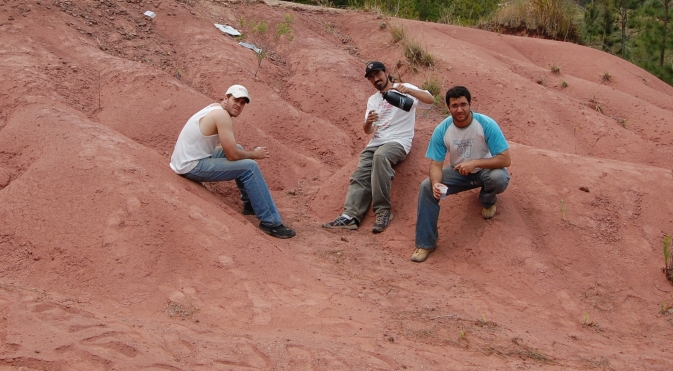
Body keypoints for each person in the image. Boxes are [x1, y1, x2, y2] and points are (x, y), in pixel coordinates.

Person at [322, 61, 434, 234]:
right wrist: (368, 122)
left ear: (385, 72)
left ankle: (383, 211)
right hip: (376, 141)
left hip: (398, 141)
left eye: (377, 74)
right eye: (371, 78)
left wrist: (409, 90)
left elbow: (430, 101)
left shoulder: (403, 88)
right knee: (361, 171)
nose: (375, 79)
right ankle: (350, 216)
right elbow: (368, 131)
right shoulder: (373, 100)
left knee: (380, 157)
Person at [170, 85, 296, 239]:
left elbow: (232, 150)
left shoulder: (214, 108)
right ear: (226, 98)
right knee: (250, 166)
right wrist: (255, 154)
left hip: (185, 159)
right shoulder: (221, 115)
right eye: (236, 100)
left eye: (243, 103)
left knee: (238, 148)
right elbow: (232, 156)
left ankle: (250, 204)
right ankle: (271, 223)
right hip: (191, 166)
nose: (239, 105)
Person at [411, 85, 511, 263]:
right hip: (458, 173)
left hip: (484, 170)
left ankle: (487, 200)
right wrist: (436, 183)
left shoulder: (486, 124)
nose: (460, 109)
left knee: (499, 178)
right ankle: (425, 243)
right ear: (448, 108)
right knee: (426, 186)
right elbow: (436, 164)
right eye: (455, 105)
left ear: (470, 104)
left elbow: (505, 159)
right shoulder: (442, 130)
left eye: (463, 104)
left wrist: (475, 163)